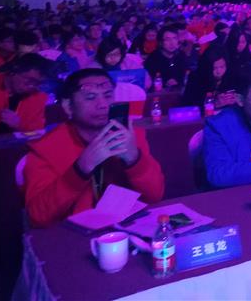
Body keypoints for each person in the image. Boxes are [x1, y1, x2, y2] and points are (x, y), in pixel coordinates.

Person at [23, 68, 165, 227]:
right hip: (72, 235)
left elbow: (155, 195)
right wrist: (80, 169)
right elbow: (38, 216)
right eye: (90, 97)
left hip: (125, 228)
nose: (103, 105)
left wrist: (134, 159)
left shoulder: (129, 136)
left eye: (108, 95)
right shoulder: (46, 148)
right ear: (68, 106)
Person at [0, 54, 51, 150]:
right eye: (29, 80)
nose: (32, 86)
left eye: (38, 83)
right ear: (15, 71)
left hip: (6, 151)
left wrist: (19, 125)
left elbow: (36, 133)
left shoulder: (38, 98)